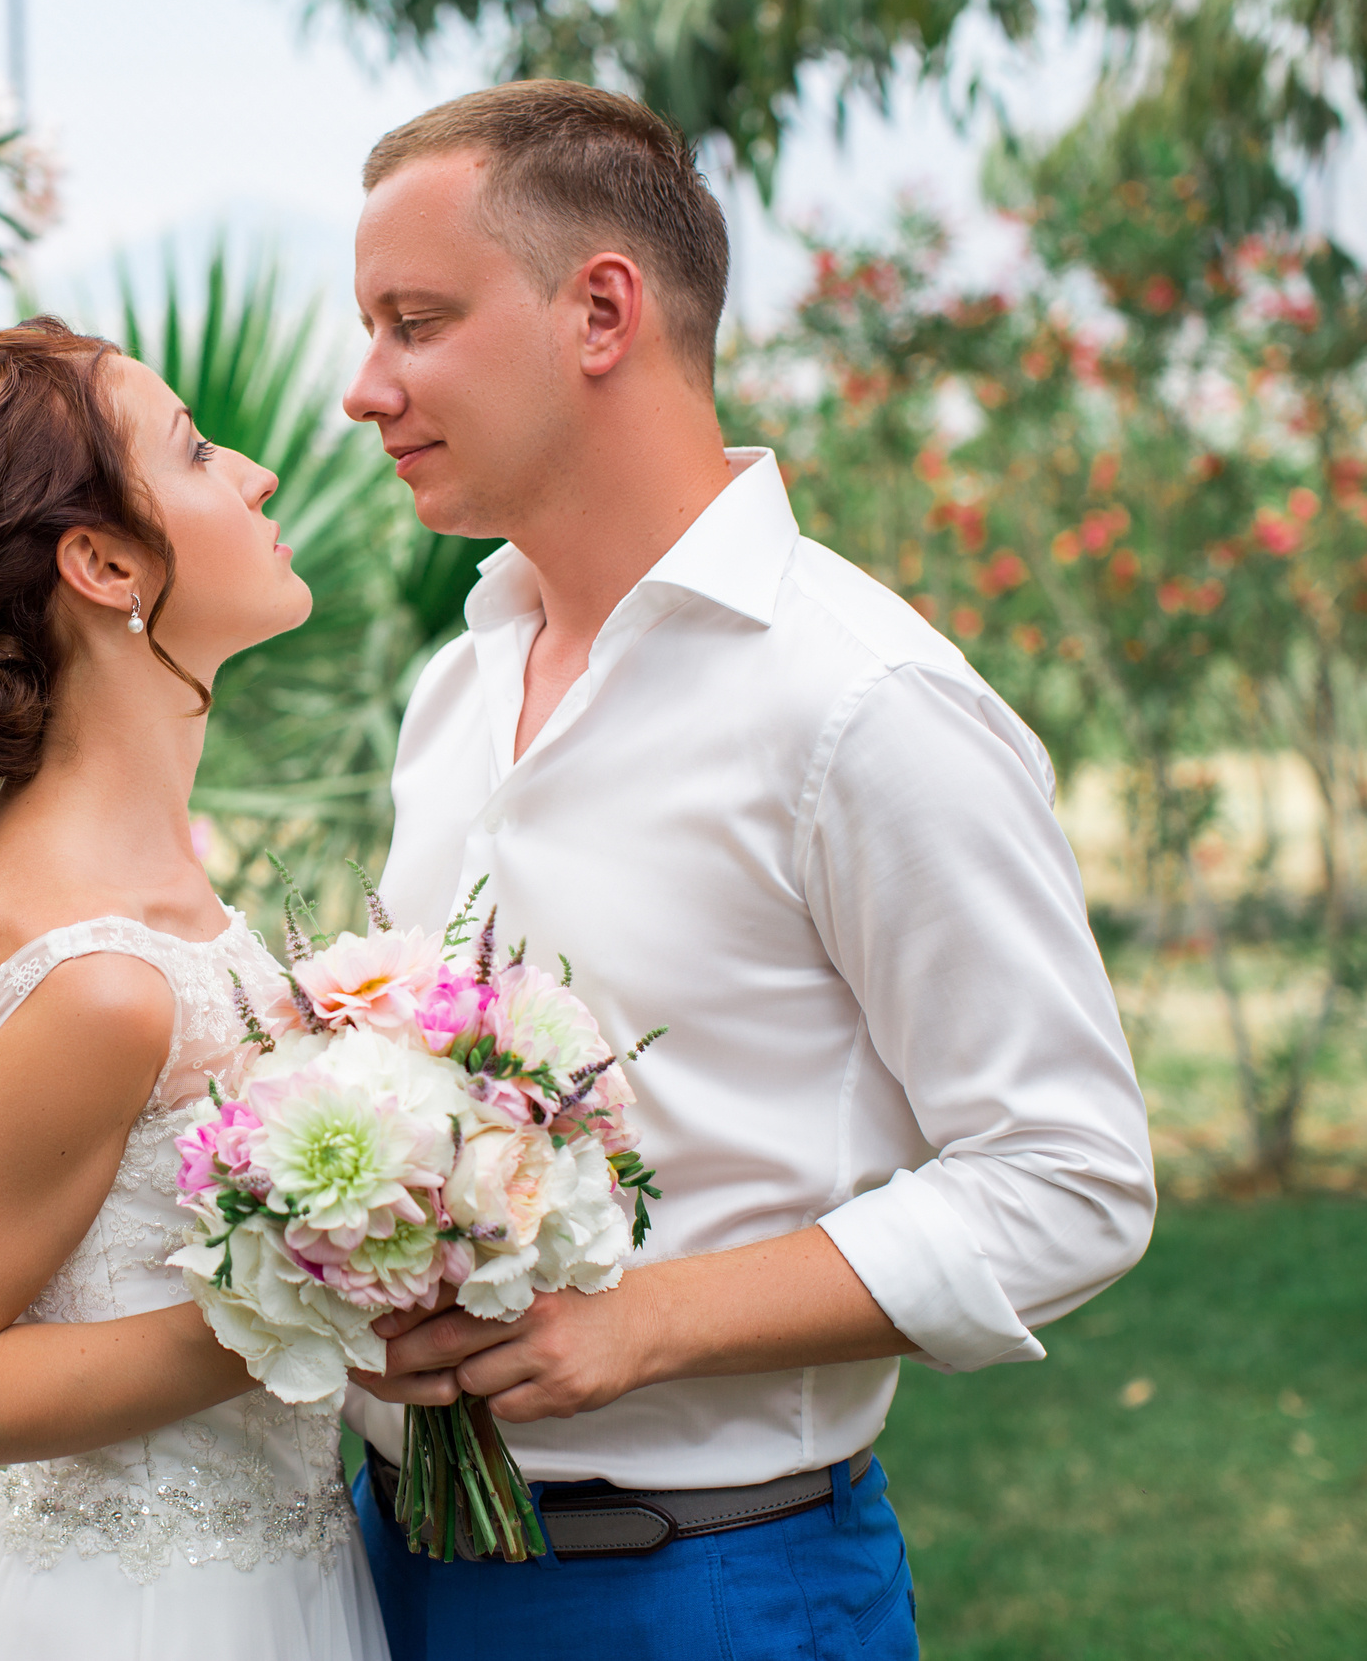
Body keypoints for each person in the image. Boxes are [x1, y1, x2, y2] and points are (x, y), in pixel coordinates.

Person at [338, 82, 1158, 1658]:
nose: (366, 388)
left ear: (601, 311)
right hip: (388, 1570)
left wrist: (646, 1326)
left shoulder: (862, 703)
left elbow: (1071, 1179)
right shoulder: (459, 682)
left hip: (709, 1592)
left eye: (414, 321)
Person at [0, 320, 389, 1660]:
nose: (255, 472)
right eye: (195, 450)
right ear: (106, 562)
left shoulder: (129, 886)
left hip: (282, 1580)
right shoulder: (100, 981)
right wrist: (317, 1294)